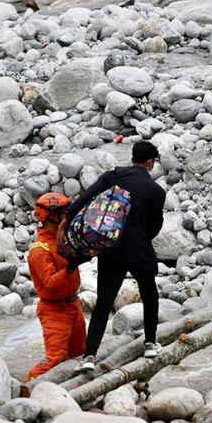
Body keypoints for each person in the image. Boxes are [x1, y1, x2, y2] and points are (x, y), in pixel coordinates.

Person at [67, 141, 167, 370]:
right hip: (139, 250)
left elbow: (87, 199)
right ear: (150, 162)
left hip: (109, 248)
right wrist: (140, 235)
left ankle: (89, 356)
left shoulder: (114, 176)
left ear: (132, 158)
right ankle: (150, 342)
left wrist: (67, 220)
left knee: (103, 302)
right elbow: (155, 227)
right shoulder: (156, 191)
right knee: (150, 295)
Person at [24, 193, 87, 382]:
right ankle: (26, 387)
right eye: (63, 213)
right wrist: (70, 267)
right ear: (51, 217)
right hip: (54, 310)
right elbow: (50, 283)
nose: (68, 216)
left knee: (79, 355)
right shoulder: (39, 250)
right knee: (55, 358)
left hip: (73, 306)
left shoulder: (64, 239)